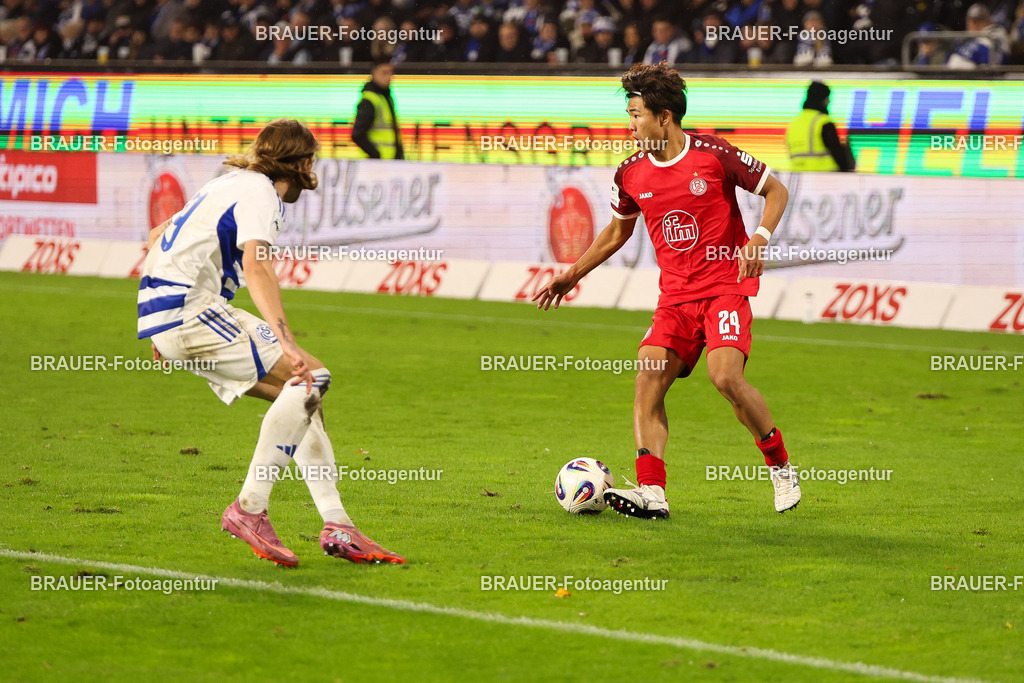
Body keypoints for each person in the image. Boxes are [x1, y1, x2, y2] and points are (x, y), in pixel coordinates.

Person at [533, 63, 800, 518]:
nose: (630, 125)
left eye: (636, 115)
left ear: (664, 117)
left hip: (724, 287)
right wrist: (573, 273)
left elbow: (776, 190)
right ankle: (652, 491)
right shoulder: (630, 173)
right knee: (647, 378)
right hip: (675, 299)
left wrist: (759, 238)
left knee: (725, 378)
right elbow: (617, 232)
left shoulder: (714, 155)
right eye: (629, 115)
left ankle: (780, 467)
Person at [137, 119, 405, 566]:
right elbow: (257, 265)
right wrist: (287, 341)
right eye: (311, 161)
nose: (313, 170)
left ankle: (338, 525)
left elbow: (155, 237)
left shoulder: (227, 183)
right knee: (312, 376)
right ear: (299, 163)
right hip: (190, 311)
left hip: (173, 315)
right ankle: (249, 508)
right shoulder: (260, 193)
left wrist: (160, 325)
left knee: (303, 397)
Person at [786, 81, 855, 172]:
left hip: (799, 175)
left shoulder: (795, 124)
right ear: (822, 99)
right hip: (825, 175)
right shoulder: (822, 122)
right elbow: (838, 154)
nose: (829, 101)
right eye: (827, 98)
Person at [351, 61, 405, 160]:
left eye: (391, 73)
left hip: (386, 161)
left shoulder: (385, 97)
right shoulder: (370, 100)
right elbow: (357, 135)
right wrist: (376, 155)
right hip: (375, 163)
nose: (389, 77)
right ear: (374, 73)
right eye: (384, 73)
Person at [947, 3, 1010, 68]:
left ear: (988, 20)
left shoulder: (997, 32)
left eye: (980, 19)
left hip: (979, 71)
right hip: (953, 70)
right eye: (973, 20)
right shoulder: (965, 37)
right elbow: (951, 52)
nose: (975, 24)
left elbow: (996, 59)